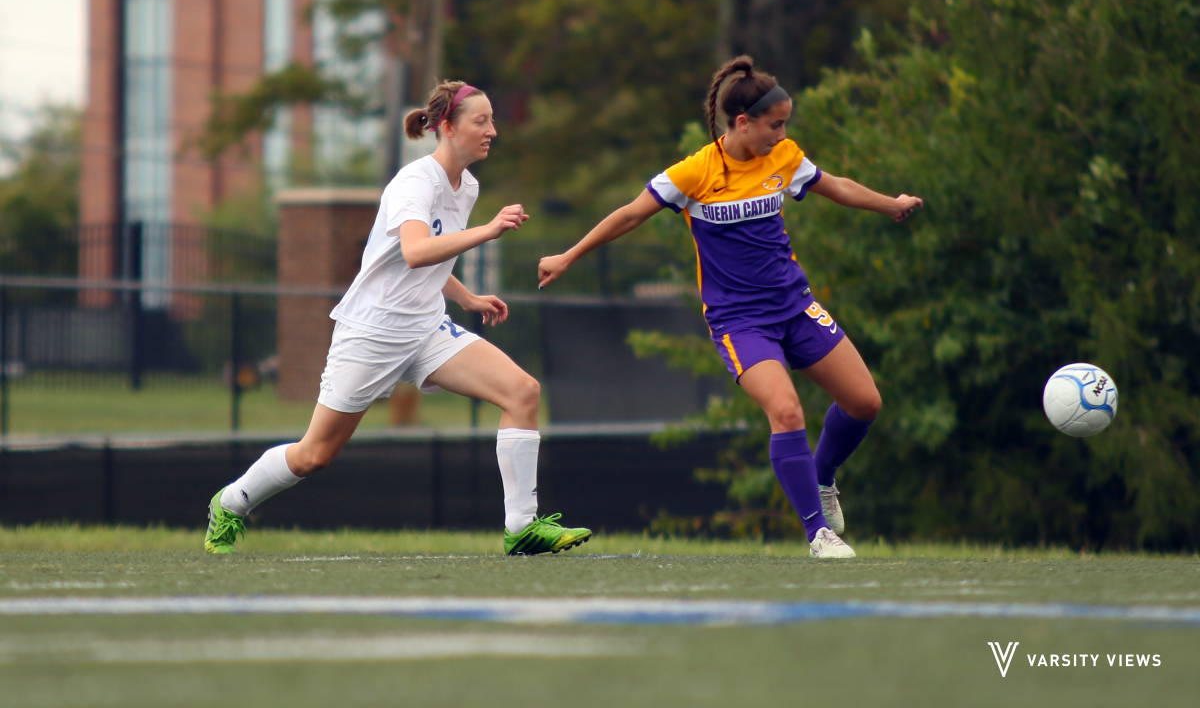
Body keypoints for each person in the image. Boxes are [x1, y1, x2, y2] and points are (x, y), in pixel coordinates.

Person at [537, 56, 922, 559]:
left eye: (785, 124)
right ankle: (818, 534)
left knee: (865, 403)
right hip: (741, 322)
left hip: (794, 306)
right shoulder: (695, 171)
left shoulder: (782, 157)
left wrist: (889, 203)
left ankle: (822, 478)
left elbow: (837, 186)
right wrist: (568, 256)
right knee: (785, 412)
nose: (782, 134)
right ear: (742, 123)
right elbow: (630, 214)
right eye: (775, 124)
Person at [205, 80, 592, 557]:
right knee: (314, 455)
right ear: (447, 128)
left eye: (492, 120)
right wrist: (488, 231)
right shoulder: (415, 181)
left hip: (426, 328)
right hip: (373, 331)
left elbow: (431, 256)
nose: (492, 130)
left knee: (522, 391)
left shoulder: (465, 184)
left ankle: (522, 528)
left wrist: (467, 297)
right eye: (481, 121)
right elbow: (413, 252)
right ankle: (230, 502)